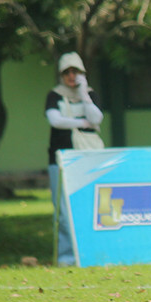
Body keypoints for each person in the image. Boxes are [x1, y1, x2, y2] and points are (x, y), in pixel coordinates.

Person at [45, 51, 104, 266]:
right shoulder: (55, 95)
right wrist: (80, 122)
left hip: (86, 157)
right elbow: (55, 120)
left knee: (90, 206)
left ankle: (91, 253)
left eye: (75, 72)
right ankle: (66, 257)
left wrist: (83, 93)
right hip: (60, 158)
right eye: (67, 72)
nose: (71, 76)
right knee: (62, 209)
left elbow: (96, 118)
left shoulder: (89, 93)